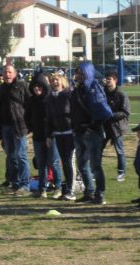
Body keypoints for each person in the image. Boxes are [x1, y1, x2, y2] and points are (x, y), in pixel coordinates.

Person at [70, 61, 113, 204]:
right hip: (79, 131)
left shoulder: (94, 88)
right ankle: (89, 192)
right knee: (81, 164)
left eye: (81, 73)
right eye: (77, 72)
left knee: (95, 165)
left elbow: (101, 110)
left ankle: (100, 194)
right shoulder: (77, 89)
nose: (78, 75)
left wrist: (93, 125)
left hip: (92, 132)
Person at [0, 65, 31, 196]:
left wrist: (28, 123)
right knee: (11, 156)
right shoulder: (0, 89)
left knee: (21, 155)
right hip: (5, 126)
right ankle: (15, 184)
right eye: (5, 72)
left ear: (15, 74)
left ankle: (25, 185)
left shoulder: (22, 86)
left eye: (10, 72)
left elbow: (29, 104)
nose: (7, 74)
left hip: (19, 126)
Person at [26, 72, 62, 198]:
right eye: (35, 86)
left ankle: (58, 188)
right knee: (41, 164)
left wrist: (50, 135)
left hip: (51, 136)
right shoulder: (31, 101)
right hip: (38, 137)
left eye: (39, 86)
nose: (37, 88)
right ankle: (42, 189)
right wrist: (29, 129)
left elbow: (53, 120)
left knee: (54, 162)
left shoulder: (49, 100)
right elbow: (27, 117)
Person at [45, 72, 76, 201]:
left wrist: (75, 128)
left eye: (57, 80)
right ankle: (67, 189)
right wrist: (48, 135)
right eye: (52, 80)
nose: (55, 82)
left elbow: (74, 112)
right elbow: (49, 118)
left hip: (70, 132)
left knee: (69, 161)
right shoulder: (50, 98)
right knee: (63, 161)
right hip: (58, 133)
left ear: (62, 81)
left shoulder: (68, 95)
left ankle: (71, 190)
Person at [103, 70, 130, 182]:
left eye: (110, 79)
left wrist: (111, 115)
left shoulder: (121, 94)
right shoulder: (102, 92)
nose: (107, 81)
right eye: (106, 79)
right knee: (98, 149)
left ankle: (121, 172)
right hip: (104, 126)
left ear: (115, 80)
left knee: (119, 151)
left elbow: (125, 112)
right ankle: (94, 172)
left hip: (116, 128)